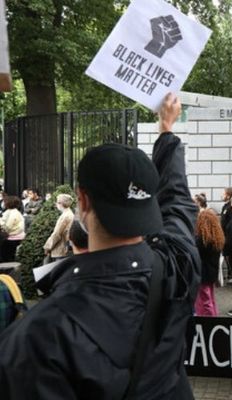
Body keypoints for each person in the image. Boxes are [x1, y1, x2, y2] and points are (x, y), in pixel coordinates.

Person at [0, 93, 200, 398]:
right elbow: (177, 203)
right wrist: (166, 130)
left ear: (82, 200)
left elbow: (176, 204)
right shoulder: (179, 261)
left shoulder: (40, 334)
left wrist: (166, 128)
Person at [194, 209, 225, 317]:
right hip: (212, 273)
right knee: (210, 298)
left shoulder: (202, 240)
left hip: (203, 274)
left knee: (205, 301)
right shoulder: (217, 237)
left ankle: (210, 321)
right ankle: (213, 316)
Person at [43, 194, 74, 261]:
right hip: (64, 248)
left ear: (61, 203)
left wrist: (47, 247)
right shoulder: (69, 214)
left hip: (60, 249)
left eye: (57, 202)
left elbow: (57, 234)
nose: (56, 204)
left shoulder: (65, 216)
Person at [0, 196, 25, 262]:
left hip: (13, 237)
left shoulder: (14, 213)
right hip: (11, 235)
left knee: (6, 255)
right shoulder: (10, 211)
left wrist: (1, 223)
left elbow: (8, 227)